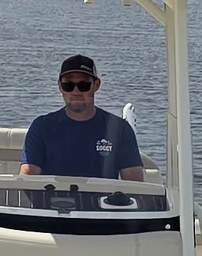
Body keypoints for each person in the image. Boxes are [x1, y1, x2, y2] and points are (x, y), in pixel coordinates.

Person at [21, 52, 147, 180]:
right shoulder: (42, 127)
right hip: (51, 199)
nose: (76, 92)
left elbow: (135, 183)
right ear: (60, 86)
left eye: (84, 85)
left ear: (96, 85)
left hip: (103, 199)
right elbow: (27, 177)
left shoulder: (120, 129)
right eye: (68, 85)